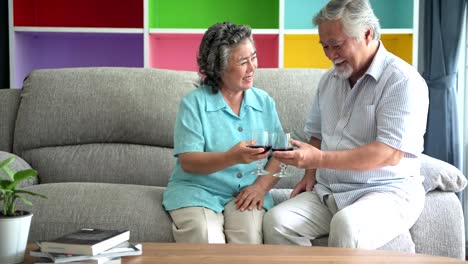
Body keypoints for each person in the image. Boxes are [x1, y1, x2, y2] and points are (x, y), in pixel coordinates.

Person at [263, 0, 429, 250]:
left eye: (337, 45)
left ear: (367, 33)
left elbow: (388, 153)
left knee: (347, 225)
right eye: (325, 46)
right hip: (331, 192)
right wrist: (310, 175)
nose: (330, 54)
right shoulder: (328, 81)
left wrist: (317, 160)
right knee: (276, 221)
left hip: (386, 191)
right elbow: (316, 134)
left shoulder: (402, 81)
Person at [162, 22, 282, 244]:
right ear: (218, 67)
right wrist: (232, 157)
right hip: (198, 191)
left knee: (249, 236)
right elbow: (188, 161)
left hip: (246, 192)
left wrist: (260, 187)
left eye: (253, 57)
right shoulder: (193, 103)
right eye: (243, 62)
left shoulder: (264, 102)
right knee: (205, 235)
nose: (252, 67)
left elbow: (280, 155)